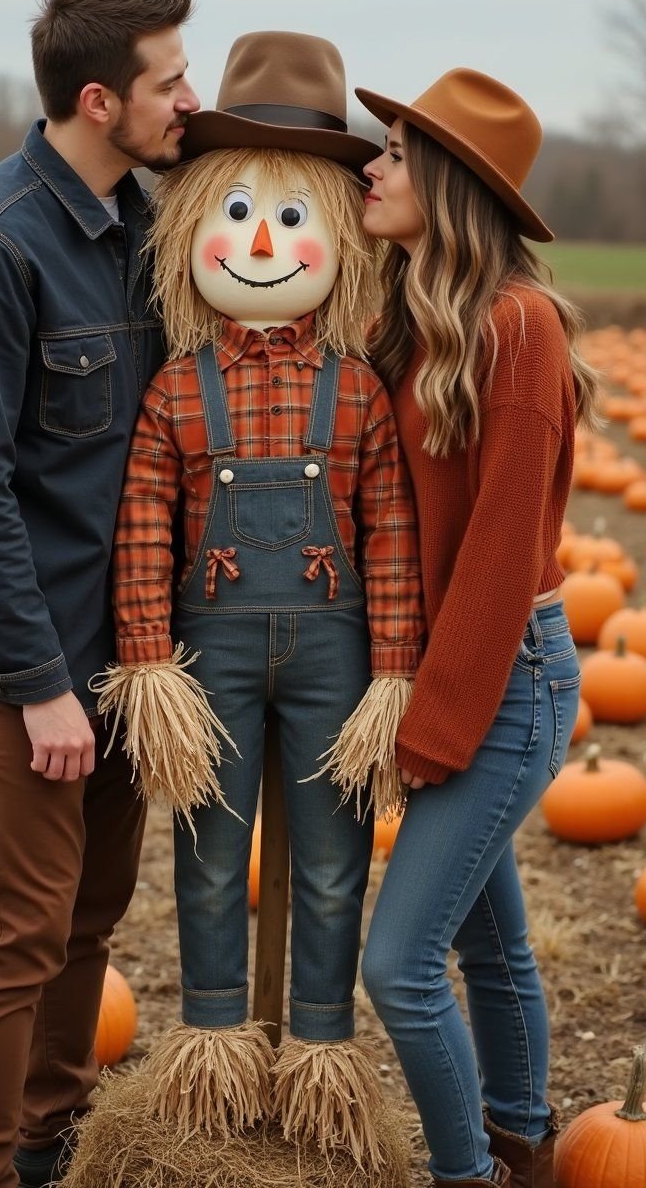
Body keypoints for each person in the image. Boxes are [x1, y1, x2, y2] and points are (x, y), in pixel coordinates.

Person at [91, 31, 426, 1170]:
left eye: (293, 220)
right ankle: (219, 1047)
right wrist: (144, 658)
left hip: (337, 657)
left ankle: (322, 1054)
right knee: (207, 852)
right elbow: (144, 525)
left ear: (338, 235)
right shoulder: (177, 392)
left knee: (336, 862)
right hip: (210, 667)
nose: (265, 244)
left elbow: (389, 536)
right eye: (238, 216)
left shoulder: (363, 394)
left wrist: (395, 670)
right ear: (192, 232)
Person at [0, 0, 199, 1188]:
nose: (193, 97)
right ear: (97, 99)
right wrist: (37, 686)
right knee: (19, 930)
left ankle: (45, 1140)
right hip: (13, 651)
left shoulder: (138, 226)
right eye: (170, 80)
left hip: (119, 647)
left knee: (88, 918)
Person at [348, 69, 600, 1187]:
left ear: (447, 182)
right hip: (462, 673)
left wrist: (429, 730)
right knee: (489, 948)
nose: (373, 166)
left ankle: (468, 1174)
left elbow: (499, 564)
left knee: (399, 966)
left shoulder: (519, 326)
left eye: (396, 152)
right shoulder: (416, 316)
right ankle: (523, 1141)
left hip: (509, 676)